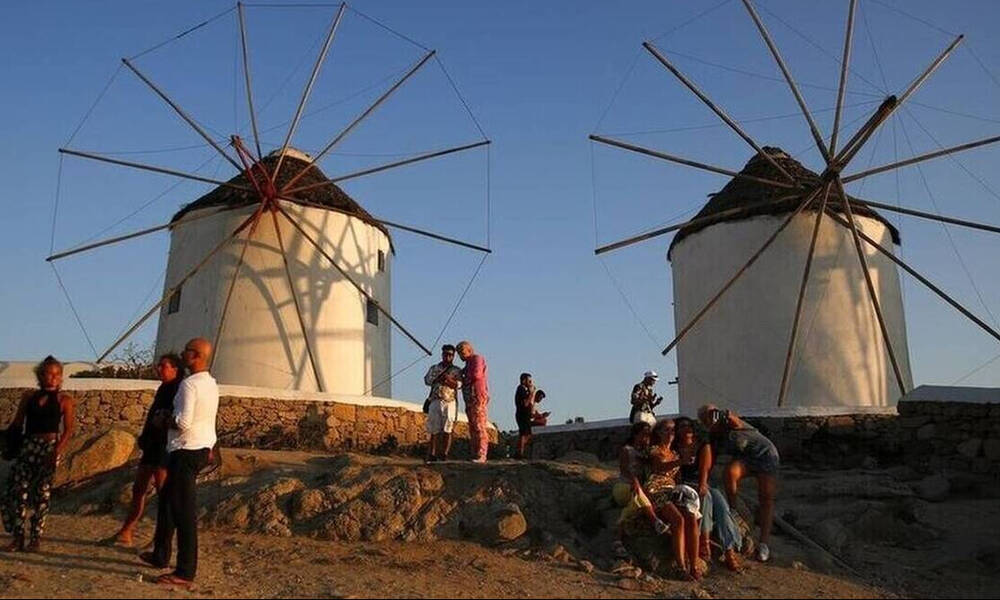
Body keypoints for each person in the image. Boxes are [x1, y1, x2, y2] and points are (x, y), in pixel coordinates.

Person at [141, 338, 219, 587]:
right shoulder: (211, 383)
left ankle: (185, 573)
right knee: (171, 504)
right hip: (200, 447)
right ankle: (161, 555)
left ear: (195, 356)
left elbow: (183, 422)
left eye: (186, 350)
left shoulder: (189, 384)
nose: (183, 354)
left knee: (183, 513)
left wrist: (163, 420)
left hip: (185, 450)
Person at [107, 353, 184, 547]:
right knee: (138, 489)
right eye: (159, 365)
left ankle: (160, 539)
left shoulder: (179, 389)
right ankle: (126, 531)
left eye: (164, 366)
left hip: (164, 446)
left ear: (175, 369)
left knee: (163, 493)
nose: (159, 369)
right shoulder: (163, 388)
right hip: (152, 445)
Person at [1, 356, 75, 553]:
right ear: (41, 375)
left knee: (42, 493)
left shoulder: (64, 400)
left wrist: (57, 451)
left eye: (57, 374)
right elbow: (17, 423)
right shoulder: (29, 397)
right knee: (17, 491)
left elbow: (68, 430)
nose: (53, 378)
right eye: (49, 374)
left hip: (49, 448)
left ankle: (35, 537)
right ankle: (18, 536)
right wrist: (8, 442)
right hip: (28, 446)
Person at [698, 404, 780, 563]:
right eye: (705, 420)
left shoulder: (729, 422)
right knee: (730, 472)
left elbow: (735, 421)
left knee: (766, 497)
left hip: (765, 454)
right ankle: (734, 508)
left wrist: (724, 415)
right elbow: (710, 459)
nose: (710, 421)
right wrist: (703, 480)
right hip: (746, 459)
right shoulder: (713, 436)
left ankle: (764, 543)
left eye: (712, 416)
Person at [673, 416, 743, 572]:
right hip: (686, 484)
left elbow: (704, 469)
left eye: (689, 425)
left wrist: (703, 484)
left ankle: (729, 550)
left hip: (703, 482)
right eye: (682, 426)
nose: (687, 429)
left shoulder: (702, 445)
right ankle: (704, 542)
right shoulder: (675, 448)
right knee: (707, 498)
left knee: (722, 507)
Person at [646, 419, 702, 580]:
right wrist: (680, 462)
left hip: (672, 489)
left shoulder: (675, 454)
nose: (671, 432)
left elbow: (676, 477)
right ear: (659, 433)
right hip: (656, 488)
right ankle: (681, 567)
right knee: (678, 519)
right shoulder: (655, 450)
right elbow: (659, 467)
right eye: (667, 429)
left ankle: (694, 565)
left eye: (673, 429)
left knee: (691, 517)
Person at [612, 422, 669, 559]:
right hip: (625, 486)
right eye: (643, 435)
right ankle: (655, 521)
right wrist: (635, 480)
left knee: (634, 505)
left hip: (640, 490)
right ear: (636, 435)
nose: (646, 438)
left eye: (648, 435)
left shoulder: (648, 452)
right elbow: (624, 469)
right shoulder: (627, 450)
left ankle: (617, 541)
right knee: (638, 494)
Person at [423, 344, 462, 463]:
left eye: (450, 355)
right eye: (446, 354)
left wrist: (449, 381)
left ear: (453, 356)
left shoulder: (456, 370)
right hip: (435, 399)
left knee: (448, 427)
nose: (448, 357)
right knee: (434, 428)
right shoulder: (434, 368)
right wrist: (438, 379)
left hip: (449, 400)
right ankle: (432, 453)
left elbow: (459, 384)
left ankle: (444, 453)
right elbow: (427, 380)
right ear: (442, 354)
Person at [457, 341, 490, 463]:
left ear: (469, 350)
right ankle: (475, 452)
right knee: (472, 426)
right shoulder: (467, 365)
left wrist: (464, 379)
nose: (461, 355)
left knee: (479, 425)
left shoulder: (477, 359)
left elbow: (476, 375)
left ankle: (482, 453)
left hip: (477, 395)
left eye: (462, 352)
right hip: (469, 398)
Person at [513, 373, 536, 459]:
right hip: (522, 414)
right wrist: (531, 393)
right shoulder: (521, 389)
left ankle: (519, 451)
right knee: (524, 434)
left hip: (525, 414)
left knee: (527, 434)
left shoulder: (524, 390)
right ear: (524, 380)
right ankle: (519, 452)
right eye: (529, 381)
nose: (530, 383)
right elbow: (525, 403)